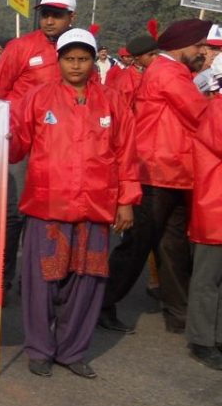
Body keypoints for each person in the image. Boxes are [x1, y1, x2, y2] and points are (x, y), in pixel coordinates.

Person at [9, 29, 139, 379]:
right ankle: (39, 348)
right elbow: (17, 143)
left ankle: (72, 350)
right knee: (41, 282)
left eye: (83, 59)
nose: (76, 65)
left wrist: (126, 200)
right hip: (47, 202)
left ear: (93, 60)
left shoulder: (113, 102)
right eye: (69, 59)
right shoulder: (38, 98)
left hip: (96, 205)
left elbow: (126, 153)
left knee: (87, 281)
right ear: (59, 60)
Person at [98, 19, 211, 334]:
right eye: (199, 46)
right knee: (138, 245)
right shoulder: (169, 73)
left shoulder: (170, 71)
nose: (202, 52)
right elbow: (200, 114)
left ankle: (179, 313)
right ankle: (102, 302)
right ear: (180, 46)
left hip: (171, 171)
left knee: (170, 246)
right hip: (157, 170)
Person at [0, 0, 77, 298]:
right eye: (45, 14)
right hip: (21, 141)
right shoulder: (21, 47)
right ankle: (2, 278)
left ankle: (37, 280)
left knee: (49, 214)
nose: (49, 20)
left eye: (57, 14)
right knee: (14, 214)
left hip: (60, 145)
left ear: (71, 18)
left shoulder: (76, 52)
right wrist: (18, 122)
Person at [186, 70, 222, 369]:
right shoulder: (217, 110)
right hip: (215, 208)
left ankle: (216, 336)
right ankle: (202, 340)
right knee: (207, 280)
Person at [105, 29, 159, 108]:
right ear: (137, 57)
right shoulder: (126, 81)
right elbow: (122, 110)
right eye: (151, 55)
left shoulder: (154, 73)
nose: (156, 58)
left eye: (157, 54)